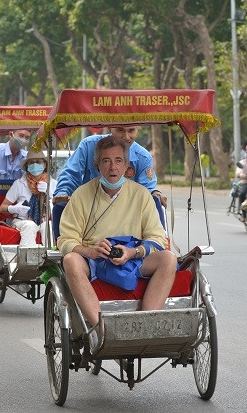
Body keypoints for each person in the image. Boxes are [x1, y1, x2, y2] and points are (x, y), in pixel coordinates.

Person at [58, 135, 176, 342]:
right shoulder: (81, 195)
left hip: (133, 258)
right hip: (94, 260)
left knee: (168, 258)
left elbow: (157, 238)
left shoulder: (141, 195)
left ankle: (143, 327)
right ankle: (101, 331)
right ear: (97, 165)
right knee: (70, 260)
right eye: (106, 161)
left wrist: (133, 252)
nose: (113, 167)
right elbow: (66, 240)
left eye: (118, 161)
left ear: (127, 165)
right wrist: (90, 251)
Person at [53, 126, 165, 207]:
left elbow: (147, 189)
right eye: (106, 161)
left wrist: (155, 194)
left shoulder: (143, 157)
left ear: (127, 165)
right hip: (89, 212)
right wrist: (63, 192)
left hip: (126, 215)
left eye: (131, 131)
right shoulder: (88, 145)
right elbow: (71, 175)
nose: (126, 137)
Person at [0, 150, 57, 247]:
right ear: (27, 166)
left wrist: (49, 194)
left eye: (38, 162)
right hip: (22, 221)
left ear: (45, 165)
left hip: (44, 220)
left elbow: (59, 206)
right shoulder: (19, 183)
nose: (35, 165)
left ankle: (50, 258)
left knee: (48, 226)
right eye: (31, 162)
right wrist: (13, 208)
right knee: (30, 225)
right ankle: (29, 259)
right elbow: (2, 208)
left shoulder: (53, 183)